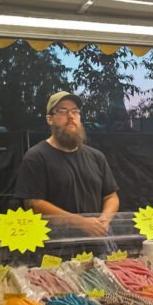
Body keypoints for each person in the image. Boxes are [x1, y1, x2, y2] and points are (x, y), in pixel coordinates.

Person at [15, 91, 119, 241]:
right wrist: (79, 222)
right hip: (55, 248)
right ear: (49, 119)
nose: (71, 116)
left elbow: (111, 196)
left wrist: (104, 220)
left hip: (95, 243)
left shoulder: (96, 156)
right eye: (63, 111)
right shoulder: (36, 157)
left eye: (75, 111)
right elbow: (33, 203)